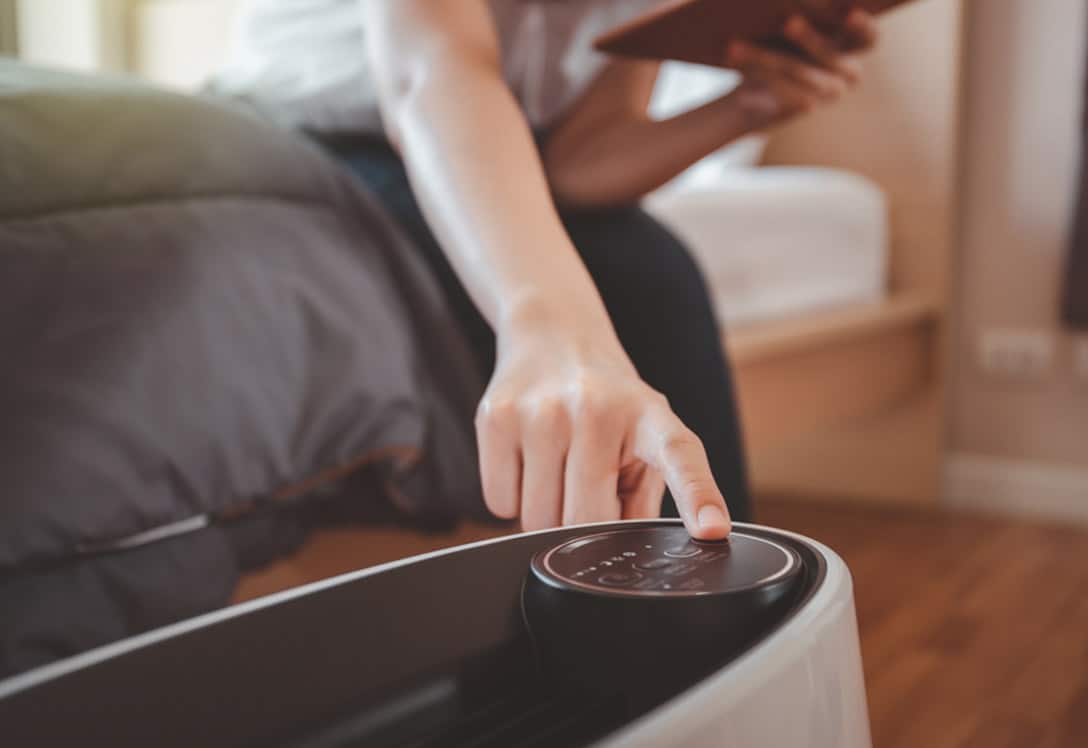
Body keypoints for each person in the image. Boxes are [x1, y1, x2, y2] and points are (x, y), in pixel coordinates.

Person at [213, 0, 878, 541]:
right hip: (321, 128)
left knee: (652, 271)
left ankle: (698, 643)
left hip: (512, 144)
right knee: (626, 280)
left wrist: (749, 107)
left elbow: (578, 160)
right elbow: (430, 71)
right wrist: (551, 334)